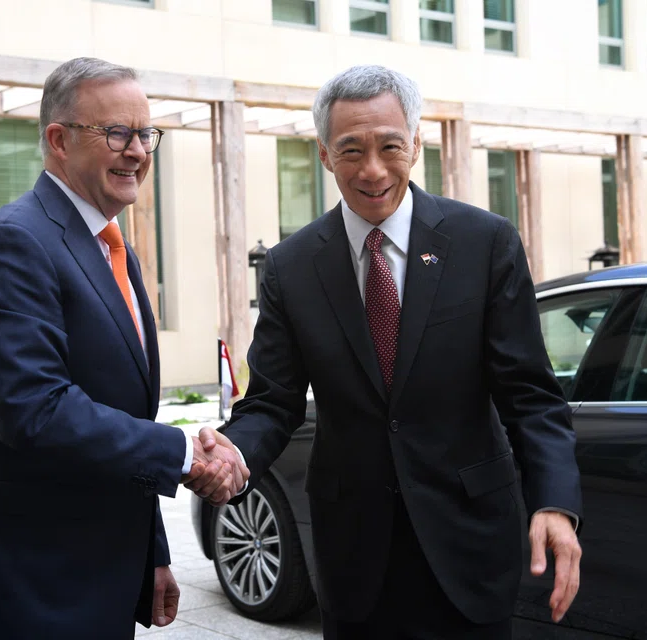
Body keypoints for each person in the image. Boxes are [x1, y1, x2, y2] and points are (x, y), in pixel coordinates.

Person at [190, 64, 583, 639]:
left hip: (470, 543)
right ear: (325, 155)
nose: (372, 170)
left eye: (390, 146)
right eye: (351, 150)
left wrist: (555, 502)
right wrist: (232, 454)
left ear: (416, 145)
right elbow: (273, 403)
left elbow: (530, 395)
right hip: (355, 557)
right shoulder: (291, 266)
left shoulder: (484, 242)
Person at [0, 57, 248, 639]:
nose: (138, 151)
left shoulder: (111, 244)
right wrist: (184, 456)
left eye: (146, 134)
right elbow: (36, 411)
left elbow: (122, 412)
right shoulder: (16, 241)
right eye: (117, 133)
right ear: (59, 141)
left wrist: (152, 552)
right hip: (31, 587)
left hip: (103, 573)